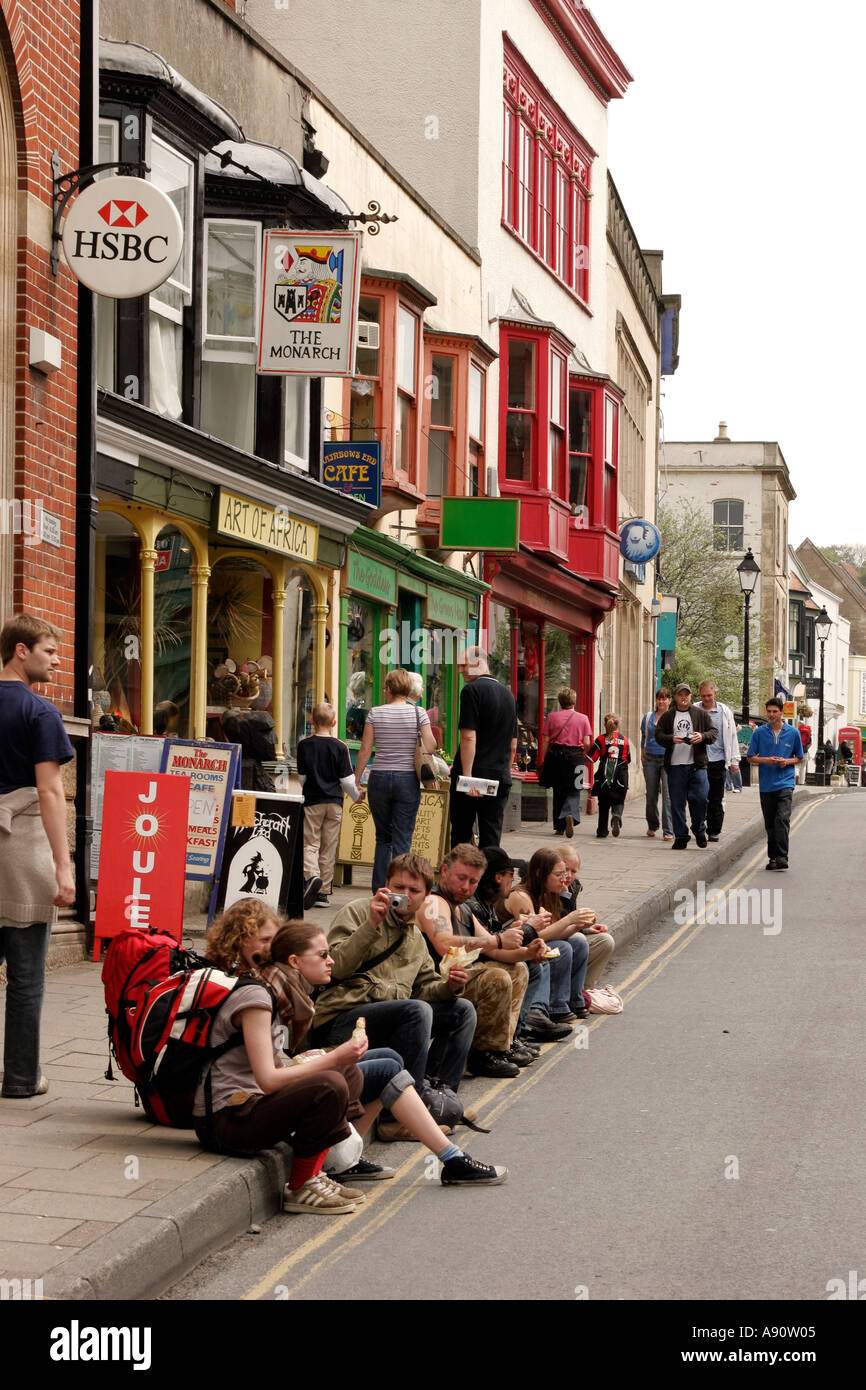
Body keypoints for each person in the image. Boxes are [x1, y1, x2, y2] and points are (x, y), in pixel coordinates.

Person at [248, 912, 506, 1188]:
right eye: (323, 955)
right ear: (295, 962)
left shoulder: (291, 991)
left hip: (281, 1088)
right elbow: (267, 1076)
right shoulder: (266, 995)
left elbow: (280, 1056)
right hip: (253, 1107)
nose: (330, 961)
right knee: (388, 1065)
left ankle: (347, 1158)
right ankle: (451, 1159)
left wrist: (449, 987)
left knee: (392, 1059)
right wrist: (331, 1057)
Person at [197, 899, 368, 1214]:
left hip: (251, 1103)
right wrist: (330, 1059)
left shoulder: (271, 990)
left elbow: (273, 1063)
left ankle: (315, 1173)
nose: (271, 948)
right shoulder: (254, 995)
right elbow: (268, 1079)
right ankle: (301, 1186)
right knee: (330, 1081)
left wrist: (322, 1060)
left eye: (273, 940)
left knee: (347, 1073)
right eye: (264, 941)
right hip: (226, 1120)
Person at [309, 853, 477, 1141]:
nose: (405, 896)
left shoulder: (414, 936)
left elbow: (426, 987)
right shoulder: (359, 911)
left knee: (462, 1010)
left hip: (385, 1021)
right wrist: (371, 925)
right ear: (385, 885)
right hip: (342, 1019)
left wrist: (450, 985)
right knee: (418, 1011)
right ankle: (393, 1116)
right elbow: (335, 967)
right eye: (399, 887)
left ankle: (437, 1102)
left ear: (426, 896)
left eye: (414, 891)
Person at [0, 615, 75, 1099]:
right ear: (21, 650)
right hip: (21, 850)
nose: (56, 660)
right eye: (49, 651)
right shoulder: (40, 713)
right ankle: (22, 1079)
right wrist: (63, 866)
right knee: (26, 978)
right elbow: (50, 793)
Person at [417, 844, 546, 1077]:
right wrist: (498, 940)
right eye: (461, 878)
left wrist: (529, 953)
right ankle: (482, 1054)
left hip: (458, 978)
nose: (466, 887)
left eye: (473, 881)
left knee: (518, 970)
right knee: (495, 978)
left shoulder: (463, 910)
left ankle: (501, 1046)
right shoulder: (434, 903)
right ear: (444, 872)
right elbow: (444, 942)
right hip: (434, 984)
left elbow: (497, 951)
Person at [352, 668, 436, 892]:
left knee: (383, 837)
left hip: (379, 777)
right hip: (407, 778)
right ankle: (400, 891)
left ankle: (380, 889)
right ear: (408, 690)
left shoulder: (375, 713)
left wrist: (356, 780)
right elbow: (430, 746)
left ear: (388, 689)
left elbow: (365, 749)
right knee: (402, 838)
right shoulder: (419, 713)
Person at [505, 849, 590, 1025]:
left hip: (530, 942)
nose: (564, 878)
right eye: (558, 874)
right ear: (539, 873)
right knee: (563, 948)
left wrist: (578, 925)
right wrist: (570, 919)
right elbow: (534, 936)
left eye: (566, 873)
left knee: (578, 943)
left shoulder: (549, 893)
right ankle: (548, 1008)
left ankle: (573, 1000)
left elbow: (554, 931)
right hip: (513, 947)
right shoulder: (521, 896)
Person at [449, 645, 518, 849]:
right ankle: (489, 879)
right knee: (491, 837)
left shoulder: (471, 691)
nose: (460, 670)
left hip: (473, 775)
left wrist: (468, 777)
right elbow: (513, 744)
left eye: (464, 665)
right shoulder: (509, 696)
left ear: (478, 663)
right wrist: (506, 770)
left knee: (461, 835)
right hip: (499, 775)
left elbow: (468, 736)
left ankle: (461, 880)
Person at [296, 701, 360, 909]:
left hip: (312, 801)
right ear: (333, 723)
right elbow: (347, 781)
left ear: (312, 721)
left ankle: (311, 878)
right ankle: (323, 892)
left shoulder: (304, 745)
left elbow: (302, 778)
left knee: (310, 843)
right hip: (334, 802)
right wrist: (357, 796)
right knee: (328, 846)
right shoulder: (340, 747)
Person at [654, 683, 718, 849]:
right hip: (675, 766)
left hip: (697, 766)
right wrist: (671, 739)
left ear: (691, 696)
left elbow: (713, 733)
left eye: (687, 694)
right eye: (680, 694)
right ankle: (681, 836)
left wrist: (701, 736)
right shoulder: (668, 716)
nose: (684, 697)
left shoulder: (700, 714)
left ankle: (698, 829)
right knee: (676, 803)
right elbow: (659, 735)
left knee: (701, 798)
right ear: (675, 697)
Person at [747, 697, 804, 870]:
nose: (771, 715)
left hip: (785, 782)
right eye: (769, 711)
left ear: (781, 712)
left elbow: (799, 758)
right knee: (770, 823)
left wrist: (786, 761)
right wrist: (766, 760)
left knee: (782, 819)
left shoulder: (793, 733)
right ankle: (773, 858)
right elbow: (750, 757)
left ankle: (782, 857)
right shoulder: (759, 733)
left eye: (775, 711)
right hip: (766, 784)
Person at [557, 844, 615, 989]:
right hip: (552, 940)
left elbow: (569, 919)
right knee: (578, 940)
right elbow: (557, 924)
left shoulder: (573, 886)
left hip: (566, 934)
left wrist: (587, 928)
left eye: (573, 871)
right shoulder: (550, 885)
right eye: (565, 870)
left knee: (606, 940)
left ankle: (585, 989)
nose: (569, 875)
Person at [541, 688, 592, 837]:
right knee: (575, 789)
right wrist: (582, 753)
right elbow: (587, 742)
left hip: (556, 757)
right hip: (576, 757)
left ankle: (559, 827)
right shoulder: (583, 718)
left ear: (560, 701)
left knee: (558, 791)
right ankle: (570, 813)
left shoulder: (552, 717)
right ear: (574, 701)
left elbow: (545, 740)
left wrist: (543, 759)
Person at [698, 680, 739, 841]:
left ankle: (714, 830)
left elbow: (732, 736)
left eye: (709, 695)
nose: (706, 698)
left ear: (715, 693)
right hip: (699, 760)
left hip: (719, 760)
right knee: (699, 796)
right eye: (703, 695)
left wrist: (734, 761)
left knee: (716, 797)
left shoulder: (725, 711)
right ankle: (700, 824)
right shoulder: (695, 709)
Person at [587, 714, 631, 839]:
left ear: (605, 725)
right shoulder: (625, 740)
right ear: (618, 725)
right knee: (619, 800)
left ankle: (602, 830)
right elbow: (628, 759)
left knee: (604, 803)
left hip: (604, 775)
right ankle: (616, 815)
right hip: (621, 775)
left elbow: (591, 758)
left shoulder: (600, 739)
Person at [641, 688, 674, 840]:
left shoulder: (673, 718)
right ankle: (652, 825)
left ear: (669, 700)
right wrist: (642, 754)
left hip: (668, 759)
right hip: (650, 759)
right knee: (651, 795)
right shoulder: (648, 717)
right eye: (659, 699)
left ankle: (668, 830)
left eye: (664, 698)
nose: (661, 701)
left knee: (667, 795)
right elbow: (644, 737)